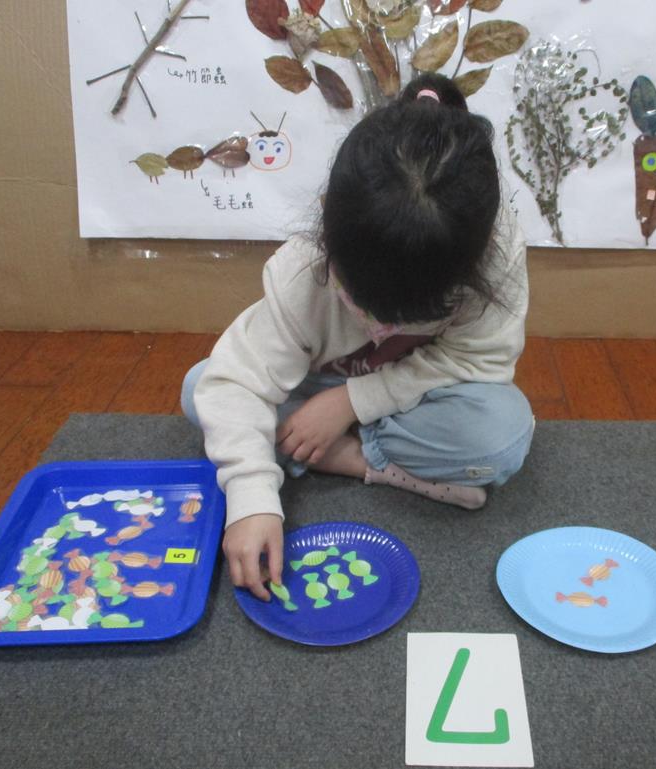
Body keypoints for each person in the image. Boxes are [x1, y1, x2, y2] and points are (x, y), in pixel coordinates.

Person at [182, 73, 533, 602]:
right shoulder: (304, 268)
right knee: (202, 388)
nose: (378, 324)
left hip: (420, 397)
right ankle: (348, 456)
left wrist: (351, 402)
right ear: (327, 230)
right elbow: (237, 380)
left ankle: (331, 453)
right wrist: (251, 499)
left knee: (502, 436)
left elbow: (481, 360)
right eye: (359, 300)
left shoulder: (496, 254)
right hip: (315, 385)